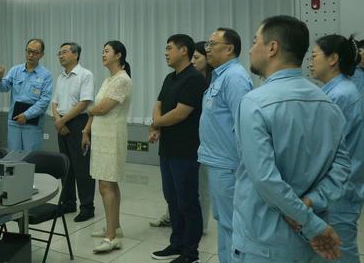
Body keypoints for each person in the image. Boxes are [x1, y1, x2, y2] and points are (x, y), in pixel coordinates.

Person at [232, 15, 351, 262]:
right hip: (309, 245)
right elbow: (341, 168)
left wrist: (308, 222)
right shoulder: (328, 105)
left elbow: (265, 178)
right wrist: (310, 203)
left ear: (272, 48)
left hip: (264, 242)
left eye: (255, 41)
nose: (251, 50)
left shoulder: (254, 103)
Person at [198, 28, 253, 263]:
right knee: (224, 221)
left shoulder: (235, 78)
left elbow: (243, 125)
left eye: (212, 44)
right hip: (217, 160)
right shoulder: (220, 75)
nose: (207, 49)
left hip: (228, 164)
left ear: (229, 49)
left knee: (232, 224)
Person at [149, 35, 206, 263]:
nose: (166, 53)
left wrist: (156, 123)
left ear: (183, 51)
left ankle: (191, 252)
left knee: (187, 201)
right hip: (168, 149)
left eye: (169, 48)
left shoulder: (194, 78)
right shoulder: (170, 77)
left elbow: (181, 113)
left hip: (186, 150)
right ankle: (177, 243)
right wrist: (156, 124)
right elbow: (159, 104)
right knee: (171, 198)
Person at [310, 34, 364, 262]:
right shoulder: (336, 90)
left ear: (333, 59)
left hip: (340, 190)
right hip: (339, 187)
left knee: (340, 252)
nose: (310, 62)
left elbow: (325, 148)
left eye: (314, 56)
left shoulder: (341, 95)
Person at [82, 40, 132, 254]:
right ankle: (115, 227)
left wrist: (88, 110)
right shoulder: (109, 79)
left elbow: (101, 109)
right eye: (102, 51)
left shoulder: (122, 79)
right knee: (109, 183)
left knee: (105, 185)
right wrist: (86, 130)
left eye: (107, 51)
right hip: (101, 136)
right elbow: (97, 109)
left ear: (118, 55)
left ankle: (111, 237)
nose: (103, 54)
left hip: (112, 137)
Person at [51, 42, 95, 222]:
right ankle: (68, 203)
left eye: (64, 52)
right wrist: (58, 121)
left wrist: (62, 121)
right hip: (61, 122)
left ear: (76, 55)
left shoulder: (85, 75)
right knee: (66, 166)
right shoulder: (61, 77)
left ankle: (87, 207)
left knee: (82, 167)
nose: (61, 56)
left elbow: (84, 103)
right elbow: (54, 103)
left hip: (79, 124)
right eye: (59, 53)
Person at [0, 38, 53, 151]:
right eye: (28, 51)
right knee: (14, 155)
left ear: (42, 55)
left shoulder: (46, 75)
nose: (31, 55)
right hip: (14, 122)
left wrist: (26, 115)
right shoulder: (15, 70)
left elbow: (44, 101)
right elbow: (3, 88)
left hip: (32, 123)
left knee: (31, 157)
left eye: (35, 52)